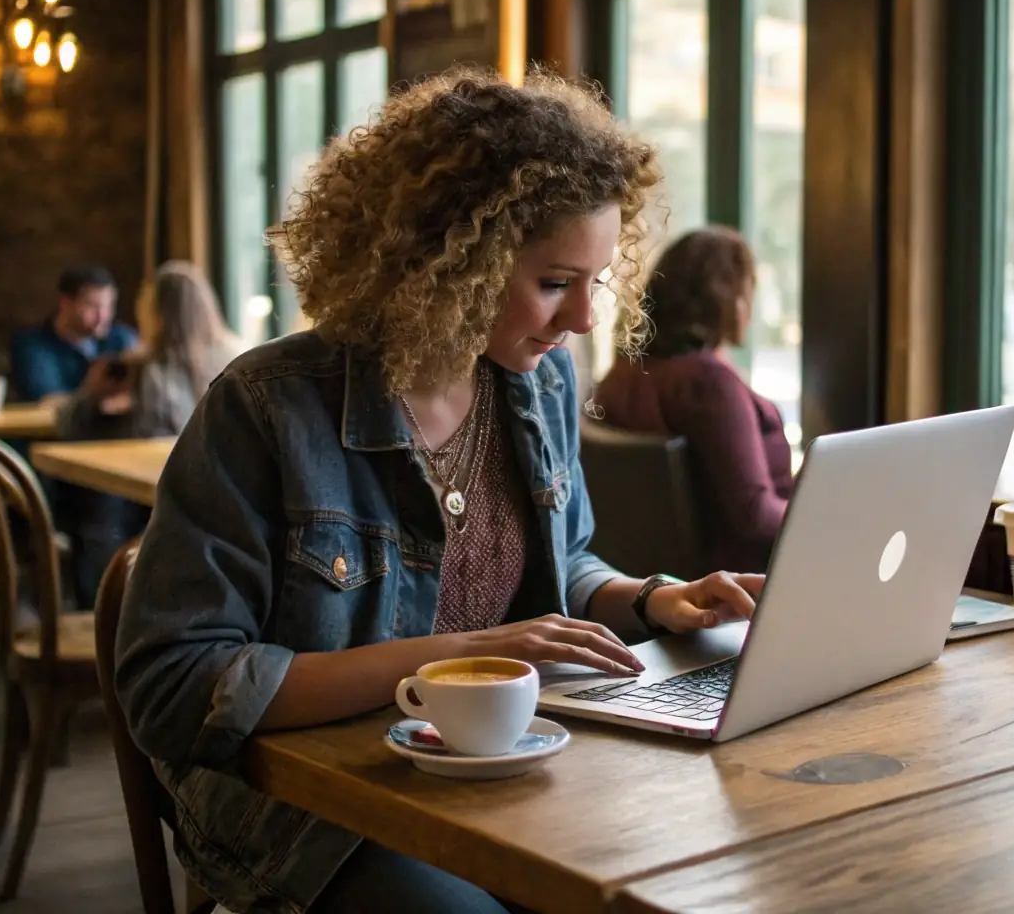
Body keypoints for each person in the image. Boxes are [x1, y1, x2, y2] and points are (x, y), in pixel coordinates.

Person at [114, 68, 765, 914]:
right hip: (312, 803)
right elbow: (172, 686)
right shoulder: (270, 406)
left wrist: (650, 602)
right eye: (554, 282)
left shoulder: (539, 384)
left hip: (502, 764)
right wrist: (449, 659)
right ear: (447, 261)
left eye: (595, 282)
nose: (583, 321)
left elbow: (558, 565)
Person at [594, 227, 794, 575]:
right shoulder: (706, 384)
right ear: (731, 299)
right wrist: (828, 520)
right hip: (747, 582)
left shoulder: (625, 373)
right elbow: (754, 516)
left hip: (659, 576)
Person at [54, 261, 245, 606]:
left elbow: (68, 424)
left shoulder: (144, 369)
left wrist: (90, 397)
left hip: (167, 499)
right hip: (227, 499)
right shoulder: (238, 358)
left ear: (155, 312)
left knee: (98, 513)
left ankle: (104, 617)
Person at [9, 263, 138, 403]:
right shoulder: (33, 346)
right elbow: (48, 400)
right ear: (66, 304)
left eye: (109, 306)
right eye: (92, 306)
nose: (103, 316)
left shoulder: (122, 338)